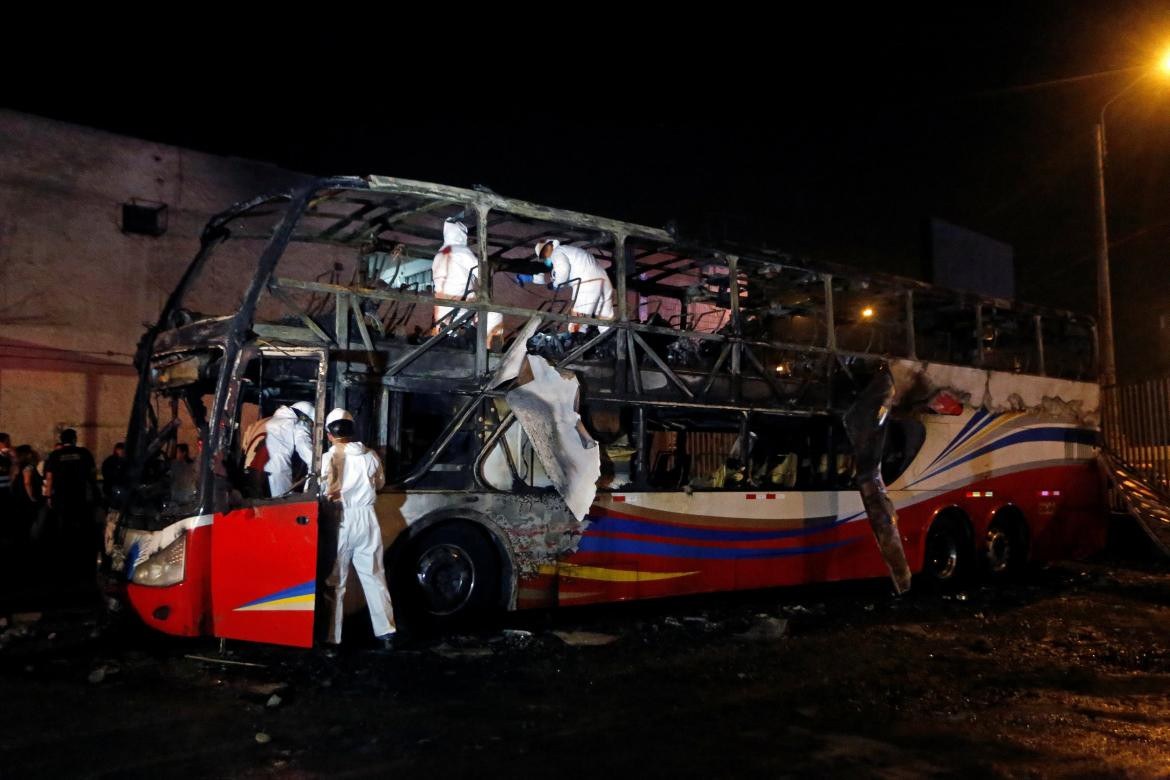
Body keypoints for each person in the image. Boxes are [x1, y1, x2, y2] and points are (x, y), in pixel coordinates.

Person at [320, 408, 396, 651]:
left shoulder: (328, 458)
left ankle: (333, 637)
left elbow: (323, 492)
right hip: (367, 517)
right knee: (375, 575)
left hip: (340, 519)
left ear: (330, 434)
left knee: (336, 581)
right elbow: (380, 483)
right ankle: (387, 634)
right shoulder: (370, 455)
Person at [426, 218, 502, 342]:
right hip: (460, 306)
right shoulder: (461, 251)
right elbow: (482, 273)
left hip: (441, 310)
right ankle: (489, 351)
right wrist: (490, 268)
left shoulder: (439, 254)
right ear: (461, 234)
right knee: (495, 315)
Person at [43, 429, 98, 577]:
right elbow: (92, 475)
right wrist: (94, 491)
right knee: (83, 526)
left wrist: (48, 496)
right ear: (74, 439)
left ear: (62, 440)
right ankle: (84, 560)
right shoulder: (84, 453)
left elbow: (49, 477)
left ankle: (64, 560)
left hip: (61, 497)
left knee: (64, 527)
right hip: (80, 496)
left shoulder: (55, 455)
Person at [535, 239, 616, 332]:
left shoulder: (557, 252)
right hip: (603, 282)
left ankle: (579, 342)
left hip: (587, 284)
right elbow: (571, 275)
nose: (545, 257)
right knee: (605, 322)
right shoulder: (572, 251)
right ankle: (612, 341)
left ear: (549, 246)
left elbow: (563, 271)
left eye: (544, 254)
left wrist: (555, 285)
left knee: (576, 324)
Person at [242, 401, 315, 498]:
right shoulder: (298, 424)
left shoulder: (263, 423)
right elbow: (308, 454)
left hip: (253, 473)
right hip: (277, 477)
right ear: (304, 417)